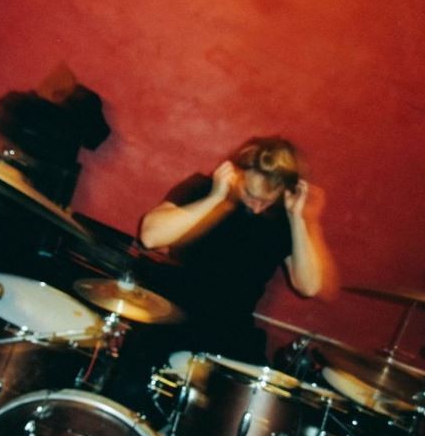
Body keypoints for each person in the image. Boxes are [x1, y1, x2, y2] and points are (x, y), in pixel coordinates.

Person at [138, 136, 332, 365]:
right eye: (250, 195)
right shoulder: (203, 187)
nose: (257, 208)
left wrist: (299, 219)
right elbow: (150, 237)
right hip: (172, 316)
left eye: (267, 201)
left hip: (231, 331)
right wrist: (215, 198)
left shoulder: (283, 219)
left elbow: (309, 286)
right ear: (235, 173)